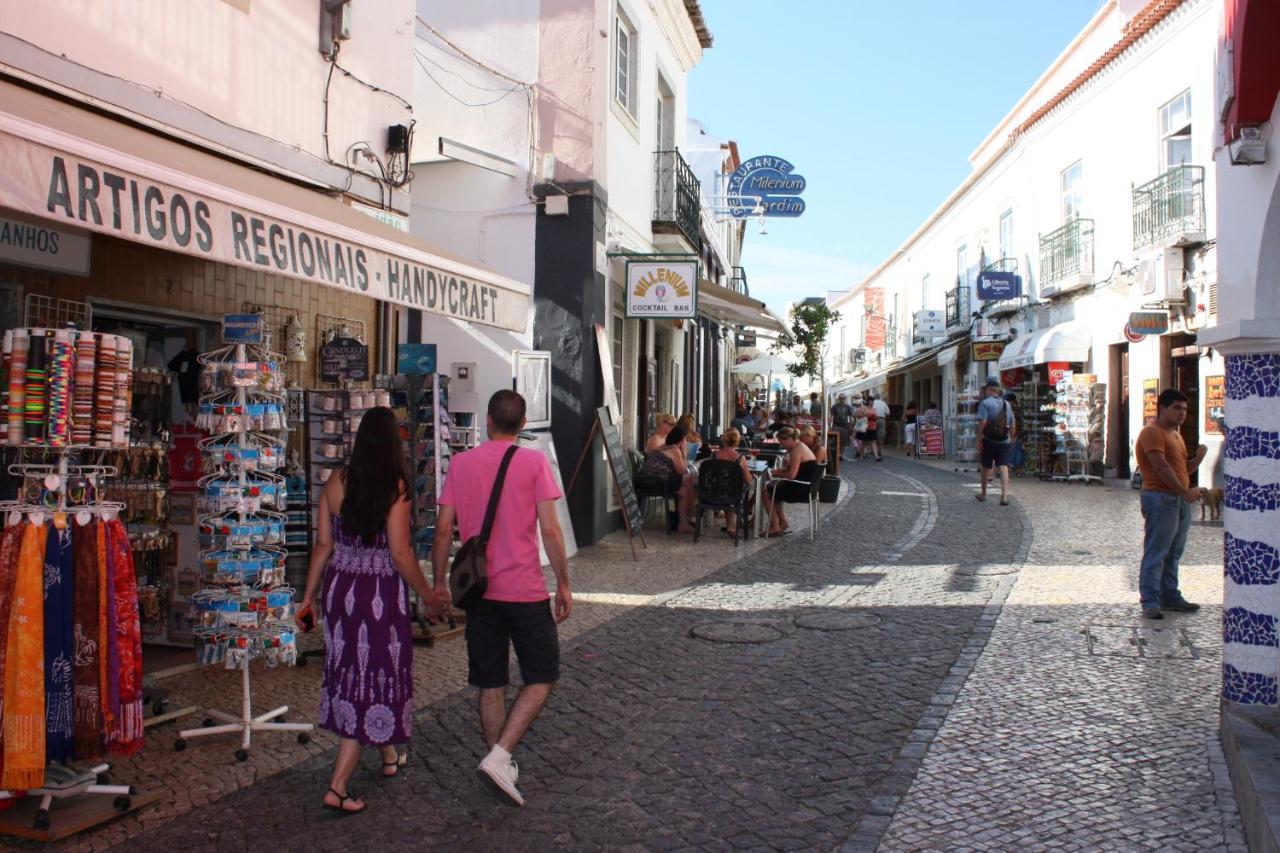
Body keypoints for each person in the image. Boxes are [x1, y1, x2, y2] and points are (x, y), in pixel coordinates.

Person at [431, 390, 573, 806]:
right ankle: (501, 757)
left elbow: (443, 531)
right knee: (542, 675)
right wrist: (564, 581)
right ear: (523, 423)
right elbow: (550, 530)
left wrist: (439, 583)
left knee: (490, 680)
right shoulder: (534, 463)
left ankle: (497, 756)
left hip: (480, 591)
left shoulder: (461, 463)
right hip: (525, 589)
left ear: (488, 421)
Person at [297, 406, 437, 815]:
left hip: (341, 590)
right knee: (373, 674)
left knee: (356, 670)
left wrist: (308, 597)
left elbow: (323, 546)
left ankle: (389, 754)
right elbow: (399, 552)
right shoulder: (396, 488)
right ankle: (338, 786)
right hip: (378, 593)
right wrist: (428, 594)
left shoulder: (336, 481)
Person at [1134, 388, 1205, 620]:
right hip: (1160, 497)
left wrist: (1200, 458)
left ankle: (1170, 595)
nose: (1182, 413)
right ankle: (1150, 600)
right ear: (1162, 408)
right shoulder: (1152, 433)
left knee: (1174, 551)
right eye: (1176, 408)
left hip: (1177, 498)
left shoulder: (1176, 435)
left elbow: (1181, 469)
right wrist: (1185, 492)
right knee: (1157, 550)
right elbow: (1161, 467)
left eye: (1184, 409)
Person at [637, 425, 695, 534]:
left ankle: (683, 522)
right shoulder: (674, 450)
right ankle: (689, 517)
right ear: (682, 439)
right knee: (688, 479)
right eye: (686, 439)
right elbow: (681, 471)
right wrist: (684, 454)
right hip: (658, 482)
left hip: (646, 481)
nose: (686, 442)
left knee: (684, 491)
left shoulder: (663, 446)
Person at [761, 427, 817, 536]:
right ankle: (782, 522)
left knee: (765, 493)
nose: (782, 446)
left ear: (788, 439)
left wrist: (774, 473)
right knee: (774, 488)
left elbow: (791, 475)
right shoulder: (801, 446)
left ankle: (775, 526)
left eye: (782, 442)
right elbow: (798, 469)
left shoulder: (796, 450)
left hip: (802, 490)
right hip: (809, 488)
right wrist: (786, 468)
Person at [976, 377, 1016, 505]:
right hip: (1004, 440)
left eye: (986, 389)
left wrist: (979, 438)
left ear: (989, 389)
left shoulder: (985, 403)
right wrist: (1011, 438)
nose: (985, 391)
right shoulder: (1007, 404)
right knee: (1003, 466)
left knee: (986, 466)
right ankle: (1004, 496)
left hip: (989, 440)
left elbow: (983, 422)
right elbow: (1013, 424)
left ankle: (983, 494)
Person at [711, 427, 752, 537]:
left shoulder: (714, 455)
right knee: (734, 488)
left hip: (714, 492)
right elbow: (748, 480)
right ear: (737, 441)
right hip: (733, 494)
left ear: (723, 439)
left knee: (725, 486)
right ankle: (731, 526)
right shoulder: (740, 458)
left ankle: (731, 525)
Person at [830, 393, 854, 457]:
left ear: (845, 399)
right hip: (836, 426)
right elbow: (831, 416)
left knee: (843, 442)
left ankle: (840, 455)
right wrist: (830, 425)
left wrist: (851, 425)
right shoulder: (835, 406)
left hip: (845, 426)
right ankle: (836, 454)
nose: (842, 399)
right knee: (835, 441)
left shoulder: (848, 407)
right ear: (839, 399)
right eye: (841, 398)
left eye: (843, 398)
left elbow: (850, 417)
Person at [869, 393, 890, 461]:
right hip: (881, 420)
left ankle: (873, 450)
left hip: (873, 420)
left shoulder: (872, 403)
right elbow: (888, 412)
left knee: (873, 435)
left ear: (874, 398)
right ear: (880, 397)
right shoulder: (883, 403)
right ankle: (879, 450)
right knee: (881, 436)